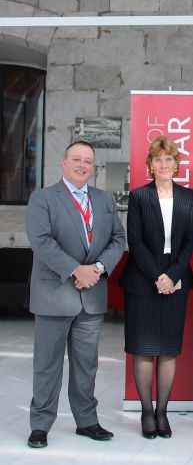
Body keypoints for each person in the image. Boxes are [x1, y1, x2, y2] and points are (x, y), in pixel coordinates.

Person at [25, 140, 125, 449]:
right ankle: (40, 425)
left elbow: (118, 240)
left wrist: (95, 268)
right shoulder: (42, 198)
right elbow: (41, 240)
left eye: (88, 161)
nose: (82, 165)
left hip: (91, 295)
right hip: (55, 294)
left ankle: (87, 421)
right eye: (76, 159)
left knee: (86, 364)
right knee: (47, 364)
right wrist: (74, 270)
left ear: (93, 168)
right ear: (64, 163)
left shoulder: (105, 199)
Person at [119, 136, 193, 439]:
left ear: (177, 164)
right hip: (143, 283)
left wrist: (173, 275)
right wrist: (157, 276)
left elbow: (191, 241)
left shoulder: (189, 198)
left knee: (167, 351)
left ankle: (163, 412)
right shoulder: (139, 197)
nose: (164, 164)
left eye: (169, 159)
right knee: (142, 350)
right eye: (158, 159)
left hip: (175, 284)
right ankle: (146, 413)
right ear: (150, 165)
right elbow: (135, 241)